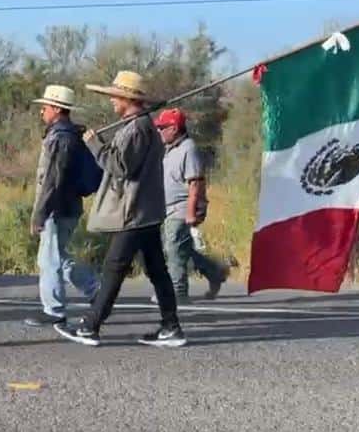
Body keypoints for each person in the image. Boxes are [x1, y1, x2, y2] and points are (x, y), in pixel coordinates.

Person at [54, 71, 185, 348]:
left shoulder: (136, 129)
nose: (112, 100)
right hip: (145, 210)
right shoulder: (138, 126)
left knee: (114, 268)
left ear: (127, 98)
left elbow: (120, 167)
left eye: (115, 95)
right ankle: (171, 326)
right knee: (157, 270)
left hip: (134, 211)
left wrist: (94, 144)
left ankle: (90, 326)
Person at [24, 84, 100, 328]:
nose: (42, 112)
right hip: (69, 206)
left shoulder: (60, 139)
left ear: (57, 108)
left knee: (49, 260)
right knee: (59, 257)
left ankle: (54, 309)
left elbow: (51, 181)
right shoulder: (70, 136)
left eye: (45, 107)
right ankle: (96, 290)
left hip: (57, 209)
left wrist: (40, 213)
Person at [154, 108, 229, 304]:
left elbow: (195, 182)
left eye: (162, 127)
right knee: (182, 247)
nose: (159, 131)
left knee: (174, 248)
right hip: (169, 207)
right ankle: (214, 272)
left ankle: (177, 293)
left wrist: (190, 212)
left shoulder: (189, 149)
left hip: (183, 207)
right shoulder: (171, 149)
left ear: (174, 128)